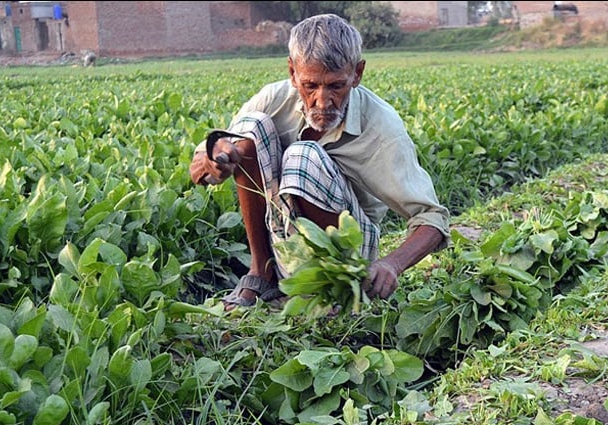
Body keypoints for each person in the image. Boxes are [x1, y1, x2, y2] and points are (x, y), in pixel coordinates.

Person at [190, 13, 450, 309]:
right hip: (280, 234)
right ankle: (261, 273)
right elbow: (200, 164)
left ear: (357, 74)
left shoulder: (381, 127)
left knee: (302, 156)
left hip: (348, 255)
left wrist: (392, 264)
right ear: (292, 72)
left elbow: (432, 218)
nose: (322, 101)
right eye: (310, 86)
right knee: (249, 129)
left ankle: (329, 289)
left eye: (336, 86)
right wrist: (215, 161)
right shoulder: (274, 98)